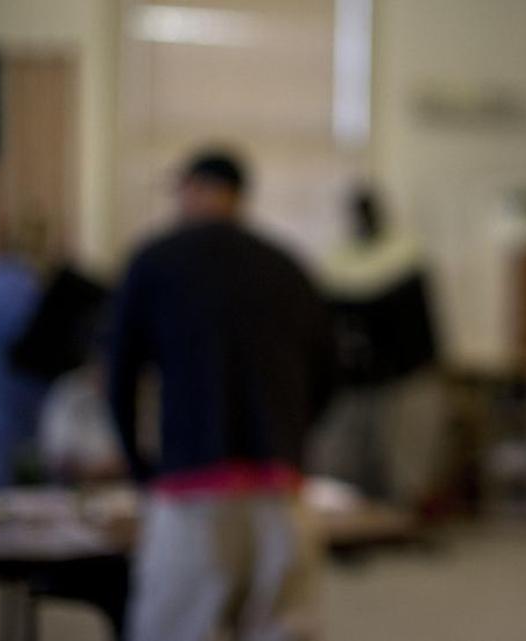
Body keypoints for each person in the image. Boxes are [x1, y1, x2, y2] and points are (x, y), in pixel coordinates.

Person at [107, 150, 336, 641]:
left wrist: (139, 466)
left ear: (195, 187)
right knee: (282, 628)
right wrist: (292, 442)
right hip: (278, 486)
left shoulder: (156, 260)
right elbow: (329, 371)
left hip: (192, 485)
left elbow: (120, 373)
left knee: (178, 628)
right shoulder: (285, 266)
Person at [0, 218, 52, 487]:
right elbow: (16, 331)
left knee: (26, 460)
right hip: (8, 385)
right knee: (3, 461)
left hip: (20, 386)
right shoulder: (7, 279)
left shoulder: (22, 277)